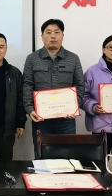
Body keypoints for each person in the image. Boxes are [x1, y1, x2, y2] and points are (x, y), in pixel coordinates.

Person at [23, 19, 84, 157]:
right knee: (41, 156)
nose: (53, 36)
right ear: (42, 36)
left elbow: (80, 85)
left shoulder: (73, 59)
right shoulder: (32, 59)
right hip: (41, 119)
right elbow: (27, 85)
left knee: (67, 155)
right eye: (48, 32)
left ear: (63, 35)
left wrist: (75, 107)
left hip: (66, 120)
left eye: (57, 32)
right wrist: (30, 109)